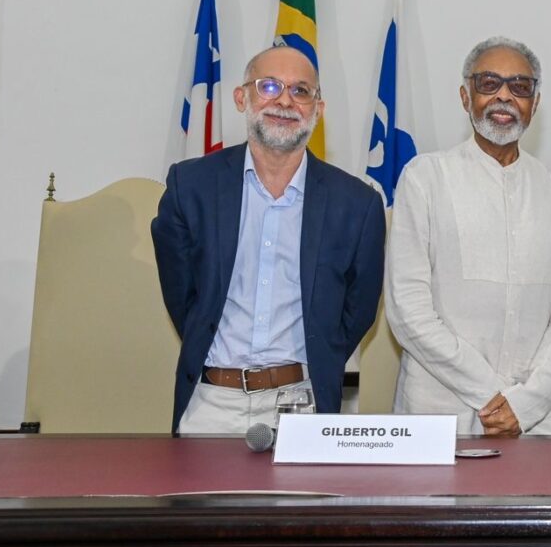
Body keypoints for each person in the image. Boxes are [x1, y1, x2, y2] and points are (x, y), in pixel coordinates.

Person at [152, 45, 385, 434]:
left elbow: (356, 314)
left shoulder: (358, 204)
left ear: (318, 109)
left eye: (300, 91)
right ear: (242, 97)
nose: (284, 101)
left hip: (302, 405)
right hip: (210, 403)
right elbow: (185, 299)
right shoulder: (190, 186)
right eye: (270, 86)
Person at [386, 37, 551, 436]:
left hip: (540, 419)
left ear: (535, 102)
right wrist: (494, 394)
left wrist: (527, 402)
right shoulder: (425, 178)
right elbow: (407, 309)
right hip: (439, 412)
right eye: (489, 83)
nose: (504, 97)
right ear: (465, 96)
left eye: (520, 87)